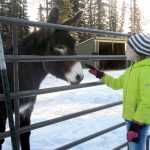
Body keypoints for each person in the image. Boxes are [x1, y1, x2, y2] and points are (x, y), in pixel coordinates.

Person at [88, 33, 150, 150]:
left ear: (138, 51)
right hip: (131, 119)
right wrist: (100, 75)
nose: (126, 50)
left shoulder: (146, 71)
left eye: (129, 48)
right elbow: (116, 84)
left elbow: (148, 101)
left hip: (138, 122)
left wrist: (136, 124)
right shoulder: (132, 69)